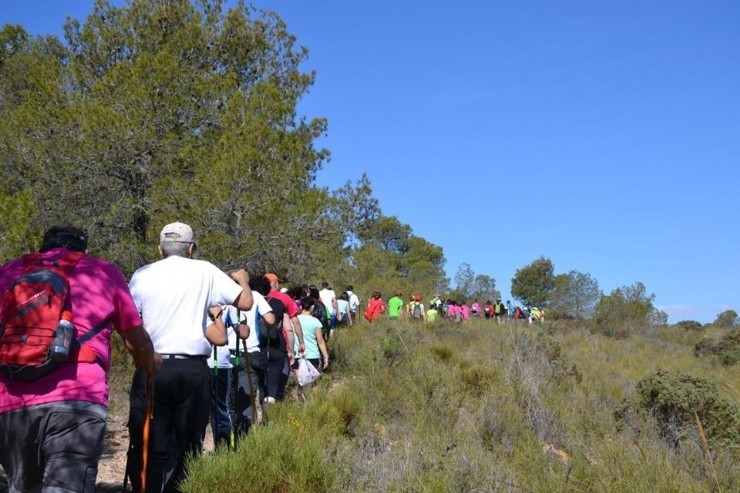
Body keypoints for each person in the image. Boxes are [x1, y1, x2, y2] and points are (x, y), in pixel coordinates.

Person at [0, 226, 161, 493]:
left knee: (22, 487)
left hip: (12, 402)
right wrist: (151, 364)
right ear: (83, 251)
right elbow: (135, 338)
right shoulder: (101, 271)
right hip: (77, 398)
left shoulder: (8, 272)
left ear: (43, 248)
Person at [125, 222, 253, 493]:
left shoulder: (142, 274)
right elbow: (245, 303)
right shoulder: (204, 270)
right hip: (192, 369)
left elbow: (129, 321)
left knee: (148, 442)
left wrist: (139, 356)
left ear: (160, 249)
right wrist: (242, 279)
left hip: (152, 365)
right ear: (191, 248)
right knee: (188, 445)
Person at [295, 297, 329, 402]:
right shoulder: (315, 322)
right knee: (313, 382)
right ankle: (314, 403)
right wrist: (326, 356)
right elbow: (320, 341)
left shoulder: (294, 320)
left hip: (298, 356)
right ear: (312, 307)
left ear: (300, 307)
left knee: (300, 382)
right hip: (313, 355)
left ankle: (303, 403)